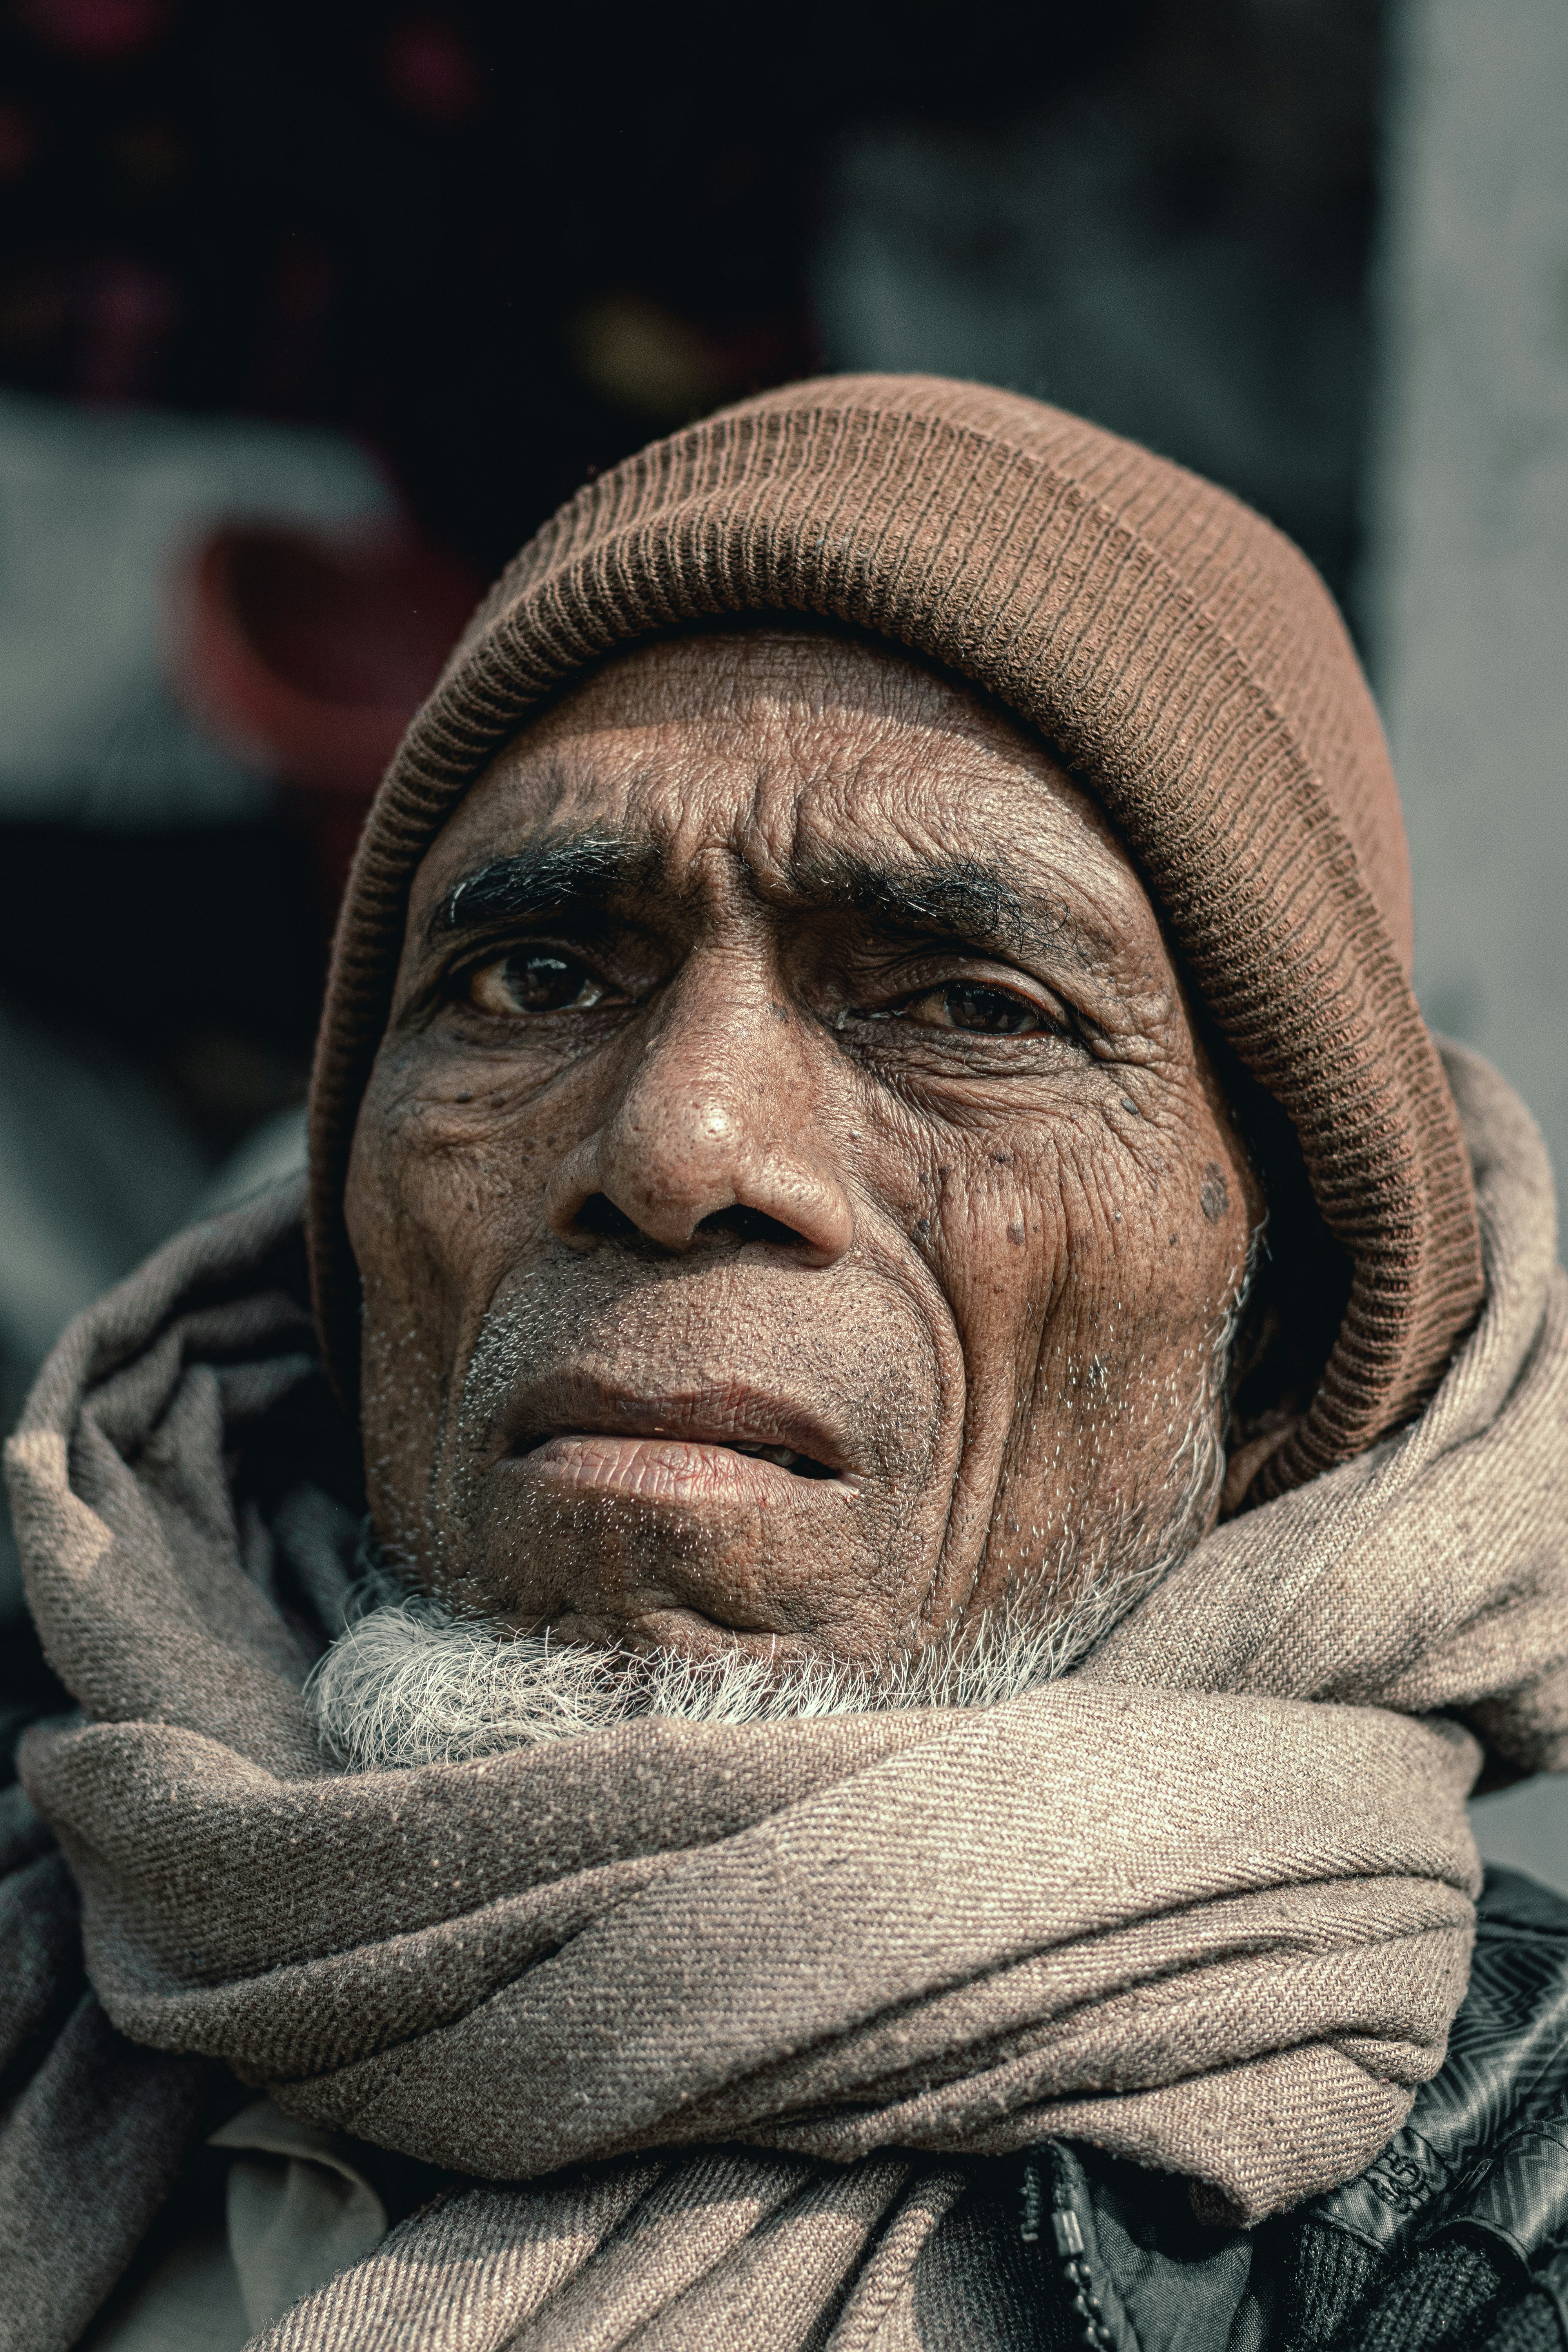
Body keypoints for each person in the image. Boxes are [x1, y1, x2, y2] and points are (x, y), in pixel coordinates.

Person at [5, 376, 1568, 2352]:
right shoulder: (48, 1950)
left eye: (965, 1005)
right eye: (538, 976)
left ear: (1279, 1307)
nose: (679, 1150)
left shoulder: (1500, 2226)